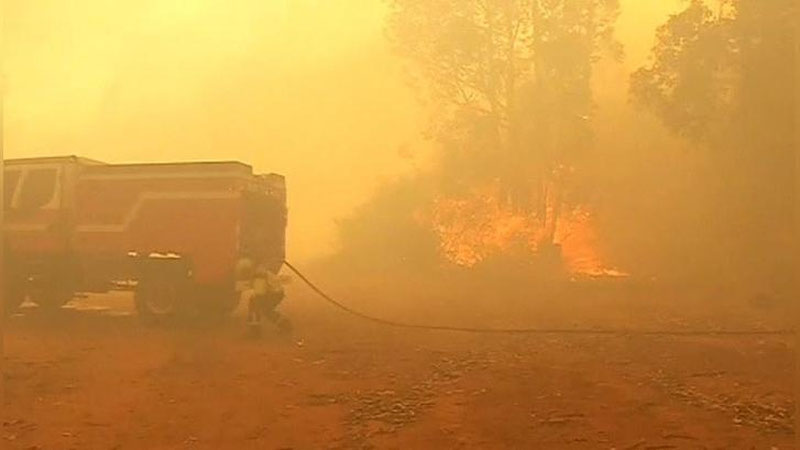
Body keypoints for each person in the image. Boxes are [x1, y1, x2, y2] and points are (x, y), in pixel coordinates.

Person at [242, 262, 291, 338]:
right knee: (266, 310)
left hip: (274, 293)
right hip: (276, 292)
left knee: (255, 304)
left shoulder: (258, 274)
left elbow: (259, 293)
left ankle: (255, 331)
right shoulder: (258, 270)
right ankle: (285, 325)